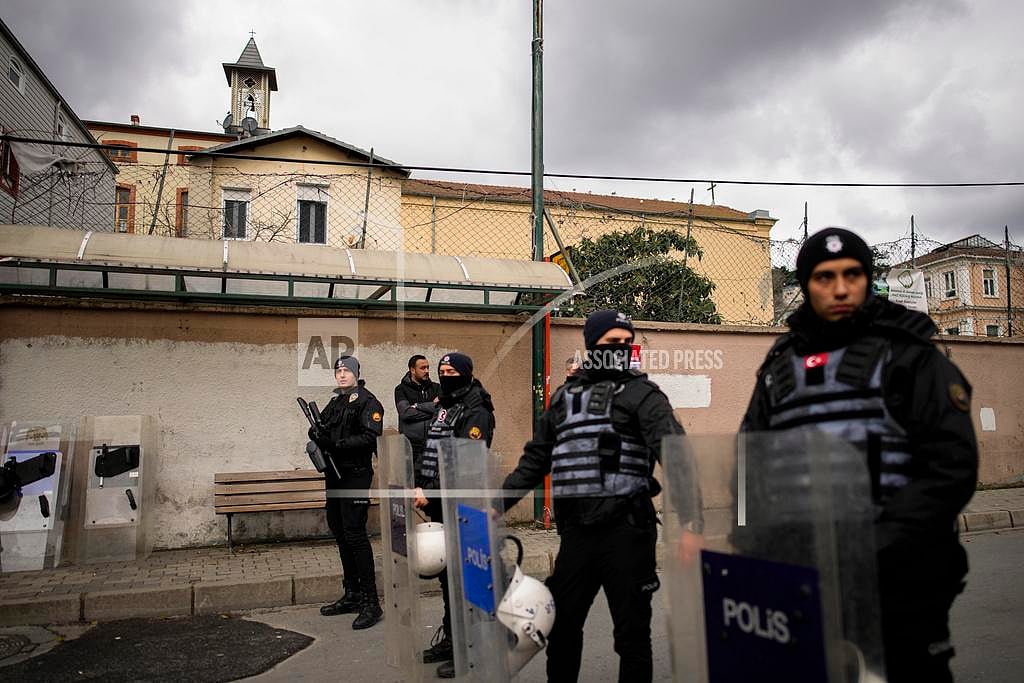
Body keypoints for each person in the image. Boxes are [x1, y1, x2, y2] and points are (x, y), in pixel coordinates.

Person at [741, 227, 978, 683]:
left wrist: (878, 542)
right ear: (806, 285)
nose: (841, 288)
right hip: (803, 576)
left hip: (897, 575)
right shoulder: (779, 365)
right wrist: (750, 546)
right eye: (824, 277)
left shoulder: (908, 355)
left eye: (852, 274)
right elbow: (748, 461)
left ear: (868, 278)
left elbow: (951, 466)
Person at [501, 310, 701, 683]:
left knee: (631, 635)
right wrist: (496, 507)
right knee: (561, 627)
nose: (621, 350)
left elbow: (678, 459)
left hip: (627, 531)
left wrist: (692, 523)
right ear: (592, 345)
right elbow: (534, 461)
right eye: (612, 344)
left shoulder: (643, 395)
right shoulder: (565, 399)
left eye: (628, 343)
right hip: (576, 535)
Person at [413, 352, 495, 679]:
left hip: (463, 505)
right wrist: (420, 484)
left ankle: (471, 648)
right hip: (439, 503)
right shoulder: (445, 404)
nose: (445, 375)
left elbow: (465, 463)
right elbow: (431, 450)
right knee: (449, 580)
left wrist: (429, 491)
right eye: (442, 370)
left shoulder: (477, 410)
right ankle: (452, 638)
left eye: (452, 371)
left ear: (466, 373)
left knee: (464, 581)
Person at [307, 355, 385, 630]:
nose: (341, 375)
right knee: (340, 532)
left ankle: (371, 602)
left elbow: (369, 437)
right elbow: (324, 428)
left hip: (355, 474)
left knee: (355, 534)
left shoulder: (368, 401)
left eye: (346, 371)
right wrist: (317, 433)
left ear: (356, 373)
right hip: (335, 475)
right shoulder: (335, 401)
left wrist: (336, 443)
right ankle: (352, 594)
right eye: (338, 371)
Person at [394, 354, 440, 462]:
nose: (427, 370)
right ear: (412, 370)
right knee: (410, 478)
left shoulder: (437, 388)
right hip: (411, 446)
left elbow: (443, 411)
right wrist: (432, 409)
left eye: (428, 367)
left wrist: (418, 406)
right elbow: (406, 413)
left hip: (433, 444)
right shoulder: (401, 390)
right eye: (423, 368)